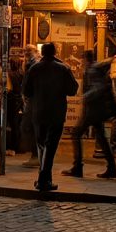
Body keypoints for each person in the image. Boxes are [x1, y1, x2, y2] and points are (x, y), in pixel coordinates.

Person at [22, 43, 78, 193]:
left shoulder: (34, 69)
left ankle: (44, 179)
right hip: (56, 113)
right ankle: (44, 180)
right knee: (50, 147)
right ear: (54, 52)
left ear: (42, 52)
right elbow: (73, 89)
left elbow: (26, 90)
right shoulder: (63, 68)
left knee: (42, 146)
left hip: (38, 112)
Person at [63, 51, 116, 179]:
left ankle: (78, 166)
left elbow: (97, 88)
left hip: (93, 110)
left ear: (85, 59)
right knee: (102, 138)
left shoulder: (92, 70)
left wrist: (85, 96)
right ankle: (111, 168)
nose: (81, 62)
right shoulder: (94, 68)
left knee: (76, 134)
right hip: (96, 110)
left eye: (82, 60)